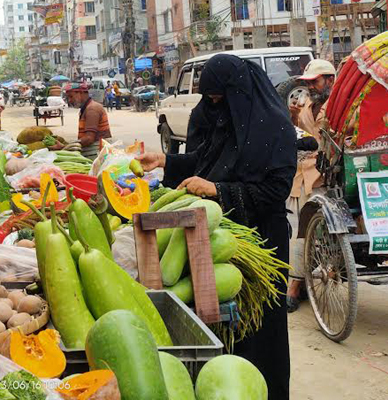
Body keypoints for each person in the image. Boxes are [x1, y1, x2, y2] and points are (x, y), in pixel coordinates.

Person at [136, 55, 296, 399]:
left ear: (238, 91)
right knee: (227, 328)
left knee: (261, 331)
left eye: (218, 99)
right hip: (224, 238)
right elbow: (205, 160)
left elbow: (275, 191)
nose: (214, 106)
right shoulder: (230, 120)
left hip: (263, 238)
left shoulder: (276, 127)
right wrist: (166, 161)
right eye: (210, 100)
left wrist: (218, 191)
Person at [286, 59, 337, 312]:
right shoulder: (306, 104)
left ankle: (298, 283)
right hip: (301, 174)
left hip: (327, 172)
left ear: (329, 79)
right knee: (297, 229)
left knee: (317, 230)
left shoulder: (340, 105)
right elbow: (298, 134)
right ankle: (295, 284)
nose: (311, 88)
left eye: (315, 82)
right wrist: (294, 117)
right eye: (308, 84)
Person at [67, 84, 111, 160]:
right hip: (94, 151)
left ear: (80, 93)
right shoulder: (87, 108)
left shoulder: (92, 109)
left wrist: (67, 146)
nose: (69, 100)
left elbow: (89, 138)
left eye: (71, 96)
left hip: (97, 152)